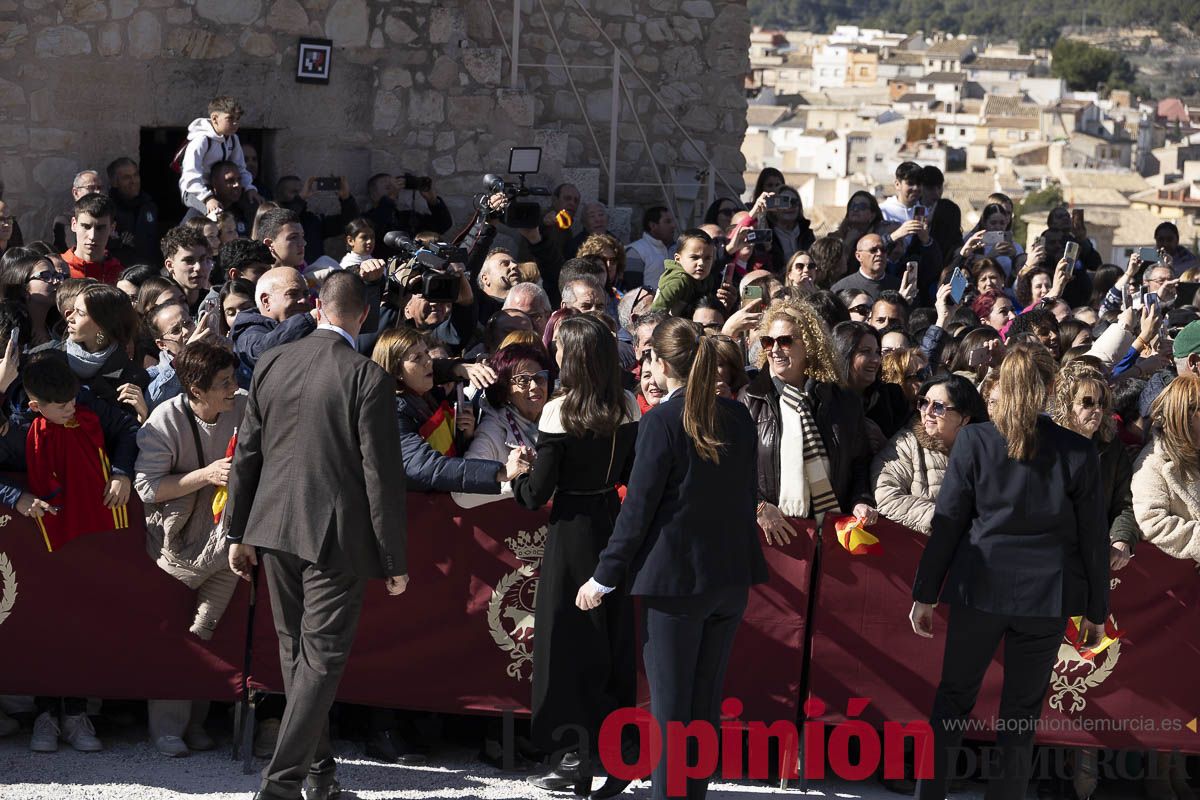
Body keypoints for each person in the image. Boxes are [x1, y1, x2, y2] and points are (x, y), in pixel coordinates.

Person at [226, 271, 408, 800]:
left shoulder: (272, 360)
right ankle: (282, 784)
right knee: (320, 658)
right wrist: (393, 558)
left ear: (318, 308)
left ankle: (318, 772)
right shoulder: (367, 376)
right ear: (364, 315)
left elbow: (247, 452)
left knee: (297, 654)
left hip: (272, 525)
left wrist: (237, 529)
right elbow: (381, 476)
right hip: (335, 534)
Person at [576, 317, 768, 800]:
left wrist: (602, 578)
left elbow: (637, 509)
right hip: (730, 580)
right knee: (701, 708)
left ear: (660, 364)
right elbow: (744, 497)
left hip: (676, 586)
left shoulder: (662, 421)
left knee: (671, 711)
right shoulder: (738, 417)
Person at [910, 342, 1110, 800]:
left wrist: (925, 592)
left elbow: (949, 524)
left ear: (1001, 384)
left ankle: (930, 795)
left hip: (980, 590)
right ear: (1046, 389)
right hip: (1043, 600)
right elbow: (1093, 540)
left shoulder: (976, 440)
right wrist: (1097, 610)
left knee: (953, 700)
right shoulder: (1078, 450)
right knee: (1020, 715)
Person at [512, 314, 641, 794]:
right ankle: (616, 749)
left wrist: (516, 472)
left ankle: (571, 756)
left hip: (570, 530)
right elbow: (630, 469)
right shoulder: (628, 404)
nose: (557, 357)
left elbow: (534, 494)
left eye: (563, 350)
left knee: (564, 643)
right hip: (610, 521)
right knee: (609, 639)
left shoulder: (557, 412)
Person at [24, 353, 139, 756]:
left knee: (82, 621)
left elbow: (126, 428)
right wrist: (16, 497)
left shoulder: (85, 400)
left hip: (92, 532)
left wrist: (122, 471)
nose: (72, 408)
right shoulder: (20, 423)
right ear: (35, 405)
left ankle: (75, 714)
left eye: (74, 400)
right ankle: (45, 714)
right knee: (45, 623)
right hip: (37, 537)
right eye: (62, 405)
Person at [135, 342, 242, 756]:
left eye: (234, 378)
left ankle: (198, 723)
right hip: (173, 546)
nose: (234, 388)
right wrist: (206, 475)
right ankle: (167, 730)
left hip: (227, 542)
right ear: (196, 390)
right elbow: (148, 487)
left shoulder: (243, 406)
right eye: (225, 383)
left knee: (209, 633)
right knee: (174, 635)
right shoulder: (165, 420)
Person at [741, 301, 877, 540]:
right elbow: (732, 470)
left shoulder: (843, 401)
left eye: (784, 341)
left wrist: (860, 500)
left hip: (831, 535)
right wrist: (758, 506)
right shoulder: (750, 400)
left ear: (810, 345)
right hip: (771, 534)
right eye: (768, 342)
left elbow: (860, 463)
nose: (774, 350)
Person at [372, 326, 527, 494]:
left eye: (426, 353)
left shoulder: (425, 395)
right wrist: (499, 473)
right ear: (396, 372)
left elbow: (438, 368)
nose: (428, 361)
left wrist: (458, 368)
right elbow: (427, 466)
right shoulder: (392, 413)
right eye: (417, 357)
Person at [871, 374, 986, 534]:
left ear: (964, 418)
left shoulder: (983, 450)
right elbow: (886, 496)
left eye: (938, 407)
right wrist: (945, 520)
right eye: (925, 403)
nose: (928, 412)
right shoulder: (906, 444)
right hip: (922, 547)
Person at [452, 342, 552, 508]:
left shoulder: (557, 416)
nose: (534, 387)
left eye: (539, 378)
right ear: (505, 390)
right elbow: (462, 494)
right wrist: (514, 482)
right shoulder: (492, 431)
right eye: (523, 380)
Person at [179, 95, 262, 219]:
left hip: (220, 190)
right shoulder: (201, 141)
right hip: (194, 192)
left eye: (238, 119)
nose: (235, 123)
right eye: (230, 118)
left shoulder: (233, 139)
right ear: (215, 118)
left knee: (253, 206)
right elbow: (190, 176)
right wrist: (207, 198)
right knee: (211, 216)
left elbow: (240, 168)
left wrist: (249, 188)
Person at [231, 266, 317, 374]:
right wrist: (308, 320)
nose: (304, 300)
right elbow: (261, 353)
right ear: (266, 301)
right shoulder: (248, 331)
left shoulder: (309, 327)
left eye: (305, 294)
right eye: (293, 294)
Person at [649, 229, 719, 316]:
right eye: (694, 257)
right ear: (678, 259)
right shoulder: (678, 281)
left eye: (707, 258)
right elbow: (657, 312)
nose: (701, 263)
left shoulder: (707, 279)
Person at [107, 157, 161, 267]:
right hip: (120, 270)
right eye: (126, 177)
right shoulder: (107, 209)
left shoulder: (149, 206)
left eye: (136, 175)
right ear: (114, 182)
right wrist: (119, 242)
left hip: (149, 269)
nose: (133, 181)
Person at [61, 193, 124, 285]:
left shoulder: (120, 275)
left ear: (112, 228)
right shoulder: (57, 269)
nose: (92, 236)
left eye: (100, 228)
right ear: (74, 224)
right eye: (86, 227)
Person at [831, 234, 900, 300]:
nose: (879, 253)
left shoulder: (898, 285)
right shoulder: (842, 288)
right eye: (873, 250)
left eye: (883, 250)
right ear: (859, 256)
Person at [625, 206, 677, 289]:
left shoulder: (677, 249)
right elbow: (633, 290)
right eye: (667, 222)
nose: (673, 225)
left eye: (672, 221)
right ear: (653, 226)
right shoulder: (635, 251)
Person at [766, 186, 815, 273]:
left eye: (794, 202)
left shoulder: (807, 234)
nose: (790, 207)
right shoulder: (767, 235)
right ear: (774, 208)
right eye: (784, 202)